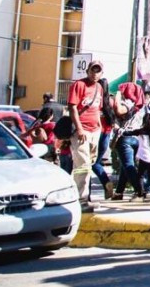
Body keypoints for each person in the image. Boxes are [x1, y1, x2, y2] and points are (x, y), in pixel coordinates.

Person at [67, 59, 106, 212]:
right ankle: (81, 199)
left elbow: (98, 109)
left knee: (89, 164)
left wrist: (99, 127)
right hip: (82, 131)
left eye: (98, 71)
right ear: (87, 71)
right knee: (82, 165)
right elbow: (72, 108)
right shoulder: (79, 85)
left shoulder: (99, 87)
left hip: (95, 130)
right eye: (92, 70)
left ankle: (84, 197)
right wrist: (79, 129)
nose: (95, 74)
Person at [111, 81, 148, 200]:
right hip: (136, 138)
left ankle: (139, 191)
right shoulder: (142, 105)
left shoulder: (128, 102)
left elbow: (119, 110)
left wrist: (117, 94)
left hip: (125, 137)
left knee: (128, 165)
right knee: (125, 165)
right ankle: (119, 192)